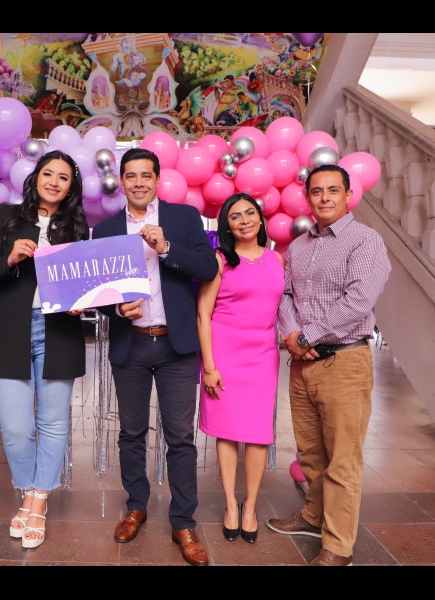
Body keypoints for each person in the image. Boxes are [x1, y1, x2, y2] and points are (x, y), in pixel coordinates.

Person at [91, 148, 218, 566]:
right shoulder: (106, 228)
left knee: (180, 437)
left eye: (146, 175)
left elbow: (207, 268)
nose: (139, 182)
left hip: (176, 346)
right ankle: (136, 507)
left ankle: (183, 521)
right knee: (131, 433)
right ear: (122, 181)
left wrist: (166, 248)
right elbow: (98, 290)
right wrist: (115, 309)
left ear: (158, 179)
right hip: (131, 345)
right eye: (131, 175)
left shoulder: (184, 218)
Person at [266, 164, 391, 566]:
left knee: (342, 459)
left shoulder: (365, 241)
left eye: (333, 190)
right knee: (311, 453)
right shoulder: (299, 246)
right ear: (308, 198)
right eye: (317, 191)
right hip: (302, 364)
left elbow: (359, 299)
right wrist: (292, 334)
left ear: (348, 195)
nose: (324, 198)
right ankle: (313, 516)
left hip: (344, 361)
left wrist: (308, 336)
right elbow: (286, 294)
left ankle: (337, 547)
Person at [0, 150, 89, 550]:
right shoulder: (8, 216)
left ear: (71, 187)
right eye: (48, 174)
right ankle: (28, 489)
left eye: (63, 177)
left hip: (60, 331)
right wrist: (9, 258)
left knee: (53, 422)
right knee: (15, 427)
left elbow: (86, 281)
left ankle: (37, 501)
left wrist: (81, 301)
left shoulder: (76, 226)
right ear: (36, 178)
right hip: (12, 329)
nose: (54, 182)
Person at [197, 193, 284, 545]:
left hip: (263, 354)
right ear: (227, 225)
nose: (245, 220)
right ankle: (231, 505)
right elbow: (203, 314)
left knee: (259, 433)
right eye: (235, 216)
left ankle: (251, 507)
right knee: (228, 431)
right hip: (225, 354)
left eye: (250, 213)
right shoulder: (219, 260)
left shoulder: (276, 259)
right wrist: (209, 366)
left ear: (260, 219)